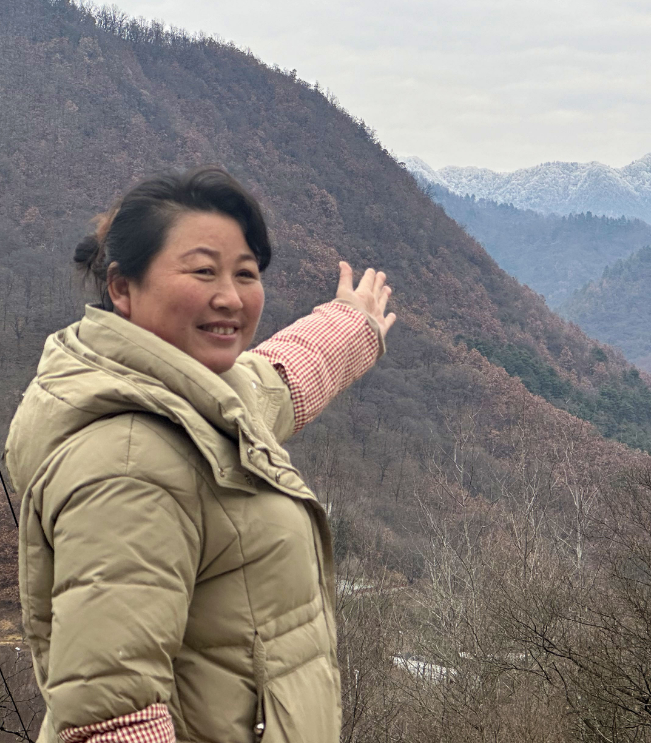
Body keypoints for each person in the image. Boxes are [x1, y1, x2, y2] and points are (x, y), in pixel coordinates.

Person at [2, 166, 395, 743]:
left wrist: (351, 324)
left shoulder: (190, 395)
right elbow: (113, 720)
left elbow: (273, 383)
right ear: (122, 288)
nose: (230, 297)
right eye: (203, 271)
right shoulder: (129, 461)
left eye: (245, 273)